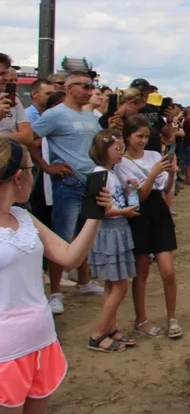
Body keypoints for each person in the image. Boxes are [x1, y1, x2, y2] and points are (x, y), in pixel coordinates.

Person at [0, 137, 111, 411]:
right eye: (32, 170)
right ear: (18, 177)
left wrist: (96, 214)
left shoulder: (24, 217)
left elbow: (70, 256)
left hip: (41, 339)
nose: (34, 178)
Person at [30, 71, 105, 315]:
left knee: (85, 235)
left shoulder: (91, 118)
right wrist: (46, 166)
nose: (89, 90)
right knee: (61, 238)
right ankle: (55, 292)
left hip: (91, 181)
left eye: (91, 86)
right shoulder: (55, 115)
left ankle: (84, 282)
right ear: (70, 88)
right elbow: (30, 140)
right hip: (68, 183)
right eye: (84, 86)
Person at [114, 116, 180, 339]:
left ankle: (172, 318)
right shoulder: (120, 163)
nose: (142, 141)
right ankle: (140, 319)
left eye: (145, 136)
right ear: (127, 137)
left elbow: (166, 189)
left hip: (159, 212)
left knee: (168, 271)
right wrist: (153, 173)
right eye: (138, 136)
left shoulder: (154, 155)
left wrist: (171, 173)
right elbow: (139, 196)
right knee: (141, 269)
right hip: (139, 214)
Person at [86, 130, 139, 353]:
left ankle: (110, 327)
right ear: (102, 151)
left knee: (112, 283)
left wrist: (129, 191)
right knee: (120, 285)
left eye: (121, 149)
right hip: (110, 232)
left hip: (117, 230)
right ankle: (98, 334)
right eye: (116, 149)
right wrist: (124, 211)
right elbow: (97, 211)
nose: (121, 153)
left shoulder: (110, 172)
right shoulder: (99, 175)